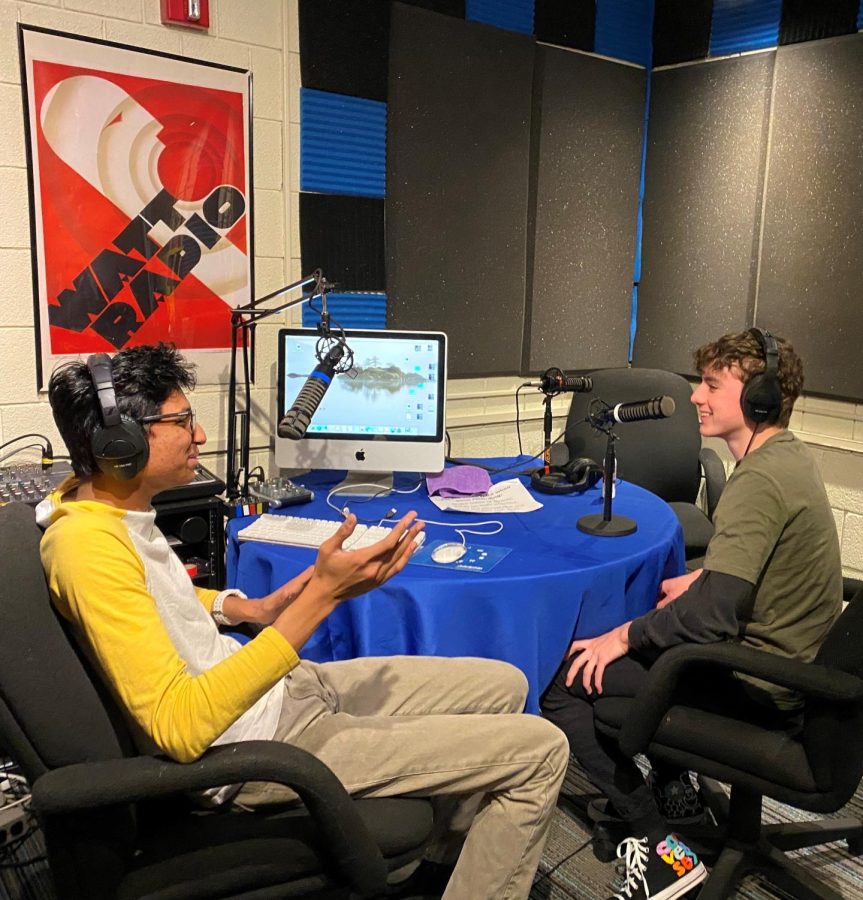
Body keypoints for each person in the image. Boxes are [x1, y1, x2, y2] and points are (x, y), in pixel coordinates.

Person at [39, 343, 569, 900]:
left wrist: (248, 608)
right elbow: (181, 727)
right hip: (260, 751)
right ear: (119, 443)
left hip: (282, 692)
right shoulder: (85, 548)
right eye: (182, 420)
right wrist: (324, 595)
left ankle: (442, 871)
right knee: (542, 750)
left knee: (505, 684)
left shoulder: (103, 509)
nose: (198, 435)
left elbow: (154, 601)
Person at [541, 329, 842, 900]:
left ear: (759, 398)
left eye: (711, 385)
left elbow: (714, 620)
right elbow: (763, 566)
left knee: (567, 677)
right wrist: (705, 576)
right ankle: (675, 787)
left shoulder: (756, 481)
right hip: (796, 665)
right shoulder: (788, 457)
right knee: (652, 620)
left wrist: (625, 636)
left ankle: (660, 850)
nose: (695, 397)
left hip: (760, 685)